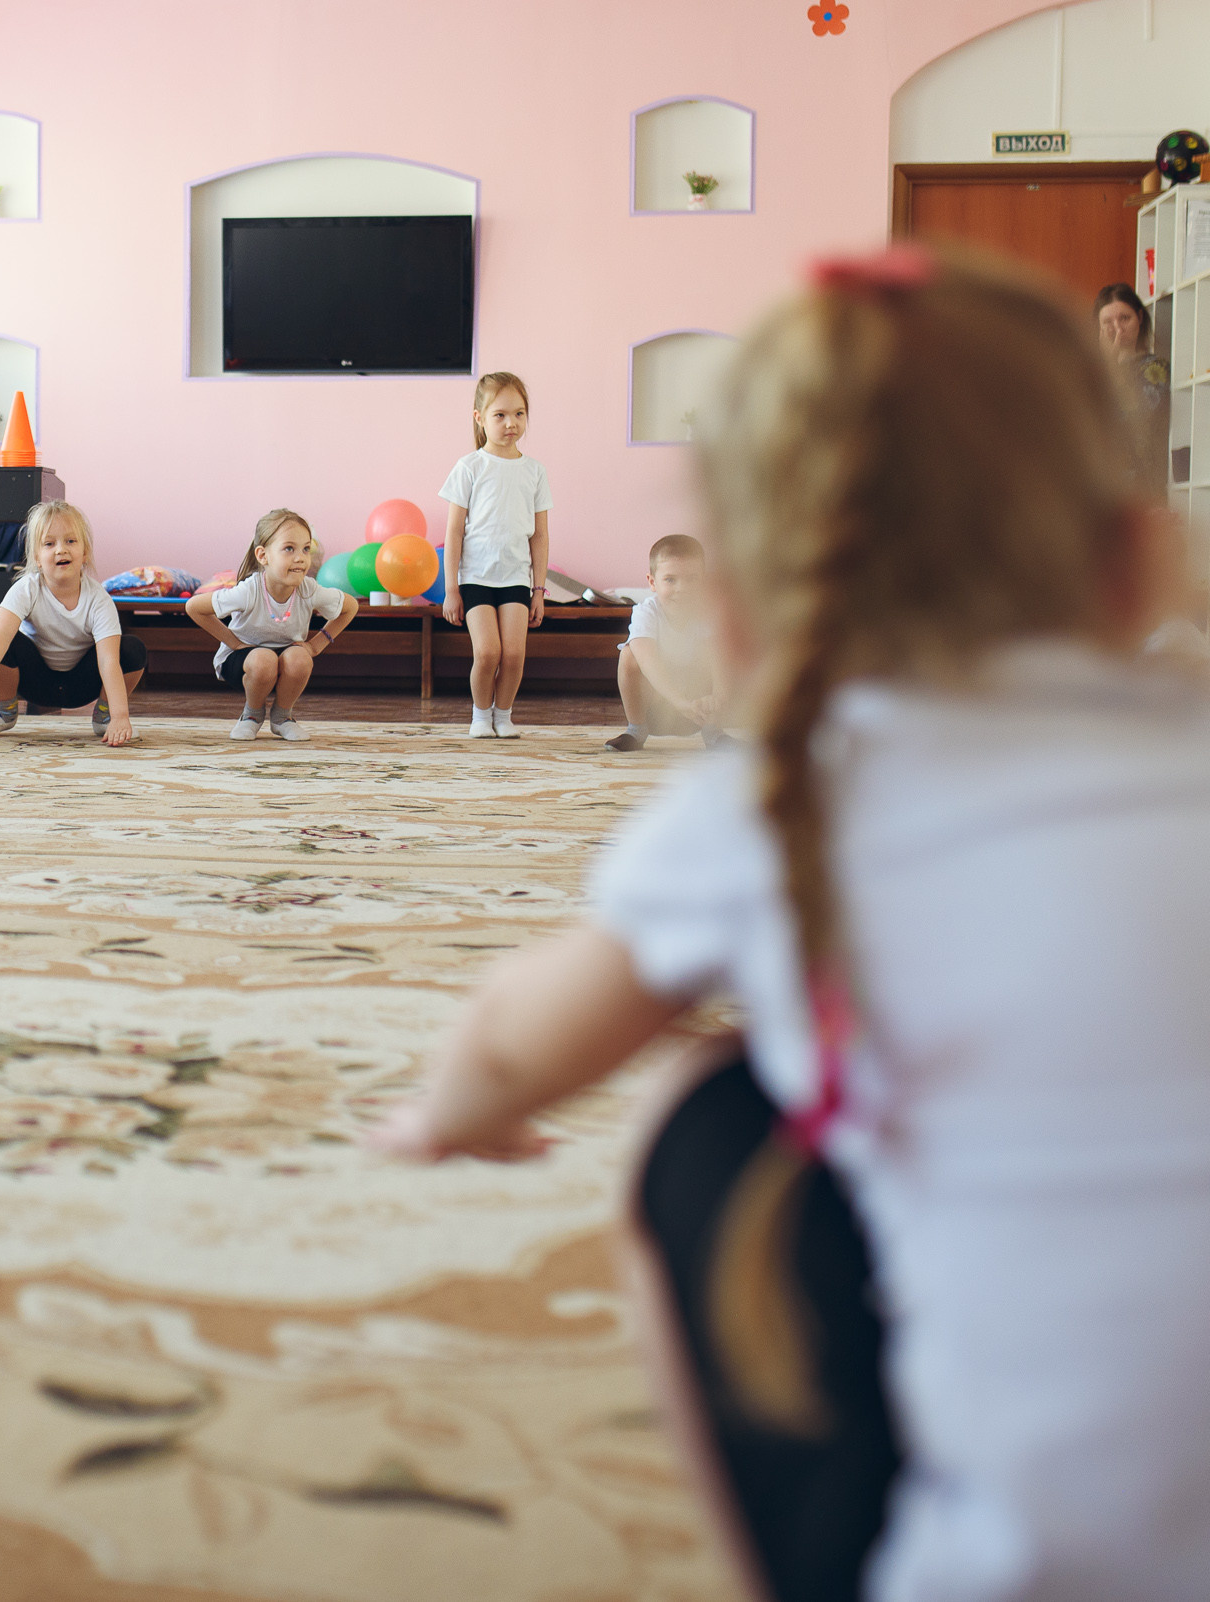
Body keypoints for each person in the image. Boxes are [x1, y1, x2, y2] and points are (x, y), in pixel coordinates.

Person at [370, 246, 1210, 1602]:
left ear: (745, 623)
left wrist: (445, 1113)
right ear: (1139, 563)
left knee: (707, 1114)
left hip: (990, 1572)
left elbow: (518, 1043)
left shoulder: (785, 802)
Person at [0, 501, 143, 746]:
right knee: (6, 641)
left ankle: (105, 717)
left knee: (132, 648)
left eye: (71, 541)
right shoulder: (25, 589)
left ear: (85, 552)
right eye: (49, 544)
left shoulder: (98, 599)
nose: (61, 550)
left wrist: (121, 716)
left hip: (81, 685)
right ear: (37, 557)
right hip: (34, 682)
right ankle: (4, 712)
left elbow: (108, 661)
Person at [440, 372, 551, 739]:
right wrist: (451, 589)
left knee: (515, 656)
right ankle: (480, 715)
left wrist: (539, 590)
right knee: (488, 653)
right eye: (500, 415)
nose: (511, 424)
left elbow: (540, 535)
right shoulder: (469, 467)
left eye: (519, 414)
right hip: (475, 577)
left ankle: (503, 716)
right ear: (480, 418)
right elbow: (454, 532)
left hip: (516, 578)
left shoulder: (534, 471)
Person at [183, 508, 357, 741]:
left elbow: (350, 606)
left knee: (300, 657)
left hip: (284, 658)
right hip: (244, 660)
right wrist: (234, 644)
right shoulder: (249, 590)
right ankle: (252, 715)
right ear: (263, 556)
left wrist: (316, 646)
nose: (300, 557)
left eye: (306, 549)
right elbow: (194, 607)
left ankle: (282, 717)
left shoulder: (308, 589)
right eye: (289, 549)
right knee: (263, 659)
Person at [605, 534, 727, 753]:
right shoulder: (646, 612)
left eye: (692, 579)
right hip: (657, 709)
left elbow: (719, 659)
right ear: (652, 582)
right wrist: (678, 702)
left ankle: (714, 732)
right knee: (630, 654)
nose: (682, 588)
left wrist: (717, 698)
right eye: (670, 580)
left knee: (727, 648)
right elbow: (647, 660)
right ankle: (636, 730)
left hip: (699, 710)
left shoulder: (708, 613)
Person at [1095, 282, 1170, 486]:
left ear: (1140, 317)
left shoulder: (1155, 368)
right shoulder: (1092, 371)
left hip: (1141, 482)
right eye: (1108, 322)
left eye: (1124, 318)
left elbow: (1134, 418)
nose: (1117, 329)